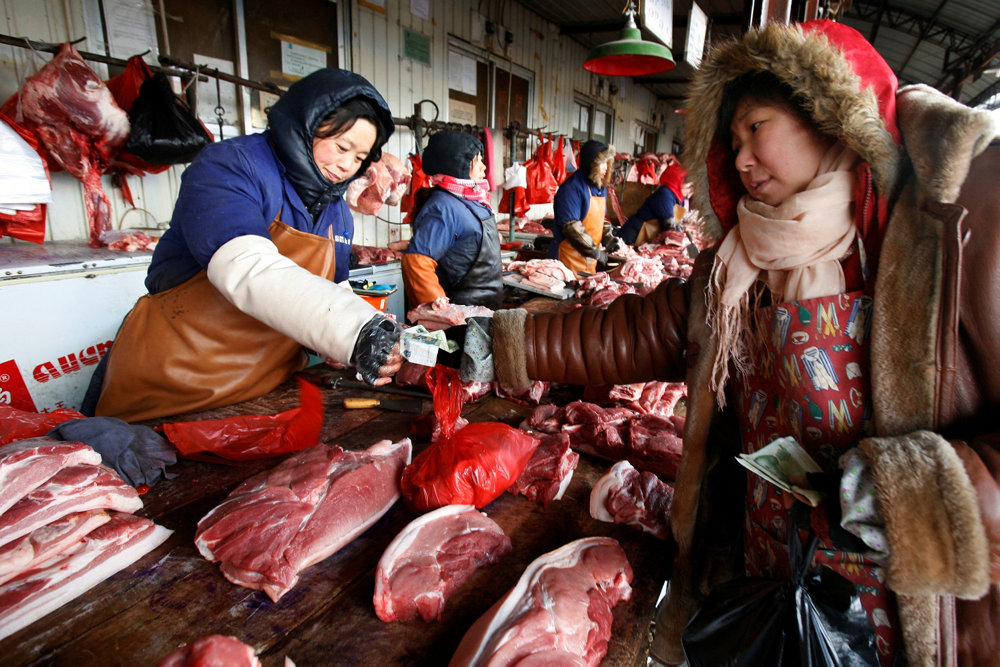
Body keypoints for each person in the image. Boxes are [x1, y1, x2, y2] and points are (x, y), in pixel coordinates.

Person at [484, 20, 1000, 666]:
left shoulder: (955, 233)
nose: (743, 159)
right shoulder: (739, 261)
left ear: (829, 114)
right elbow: (635, 332)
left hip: (900, 621)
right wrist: (501, 346)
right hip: (765, 590)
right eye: (731, 142)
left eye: (756, 128)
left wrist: (920, 497)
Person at [84, 68, 404, 423]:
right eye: (342, 147)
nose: (346, 165)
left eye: (359, 158)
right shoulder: (230, 166)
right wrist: (352, 329)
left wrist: (355, 341)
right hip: (172, 389)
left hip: (264, 391)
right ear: (306, 124)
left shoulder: (337, 213)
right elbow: (247, 267)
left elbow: (333, 289)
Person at [401, 130, 503, 310]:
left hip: (483, 309)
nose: (483, 167)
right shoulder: (442, 207)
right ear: (458, 165)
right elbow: (417, 263)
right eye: (477, 160)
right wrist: (443, 315)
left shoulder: (470, 200)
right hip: (460, 316)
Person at [548, 139, 620, 273]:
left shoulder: (599, 187)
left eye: (607, 163)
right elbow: (572, 228)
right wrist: (595, 252)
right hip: (567, 261)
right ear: (591, 164)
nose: (606, 167)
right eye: (602, 163)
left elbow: (599, 220)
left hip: (588, 259)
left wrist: (608, 237)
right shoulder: (572, 188)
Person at [615, 160, 687, 246]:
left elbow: (678, 225)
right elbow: (669, 227)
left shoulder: (679, 197)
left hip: (648, 237)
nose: (691, 188)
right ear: (677, 181)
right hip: (635, 233)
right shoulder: (665, 194)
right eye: (687, 184)